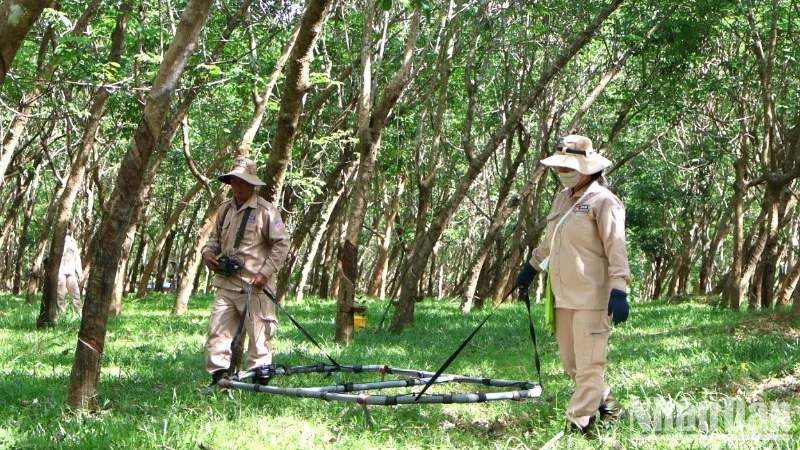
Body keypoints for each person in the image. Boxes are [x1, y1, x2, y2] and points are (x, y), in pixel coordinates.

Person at [515, 135, 630, 434]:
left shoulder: (604, 202)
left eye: (570, 168)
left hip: (593, 298)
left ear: (589, 167)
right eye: (561, 168)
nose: (564, 173)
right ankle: (611, 407)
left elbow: (616, 249)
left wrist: (619, 289)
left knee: (591, 367)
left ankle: (578, 424)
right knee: (574, 367)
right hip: (564, 297)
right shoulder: (562, 198)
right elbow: (550, 242)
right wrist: (531, 268)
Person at [201, 157, 290, 388]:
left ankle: (258, 382)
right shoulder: (224, 209)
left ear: (252, 184)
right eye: (233, 181)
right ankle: (219, 378)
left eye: (242, 181)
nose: (237, 186)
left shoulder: (267, 211)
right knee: (217, 332)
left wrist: (266, 272)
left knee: (259, 336)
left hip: (255, 286)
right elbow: (215, 240)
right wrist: (208, 253)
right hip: (226, 284)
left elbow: (282, 243)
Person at [57, 220, 84, 317]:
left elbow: (77, 258)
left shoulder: (73, 242)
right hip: (60, 271)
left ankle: (80, 314)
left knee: (76, 294)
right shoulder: (58, 240)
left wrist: (79, 272)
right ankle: (61, 315)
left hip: (71, 272)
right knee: (60, 295)